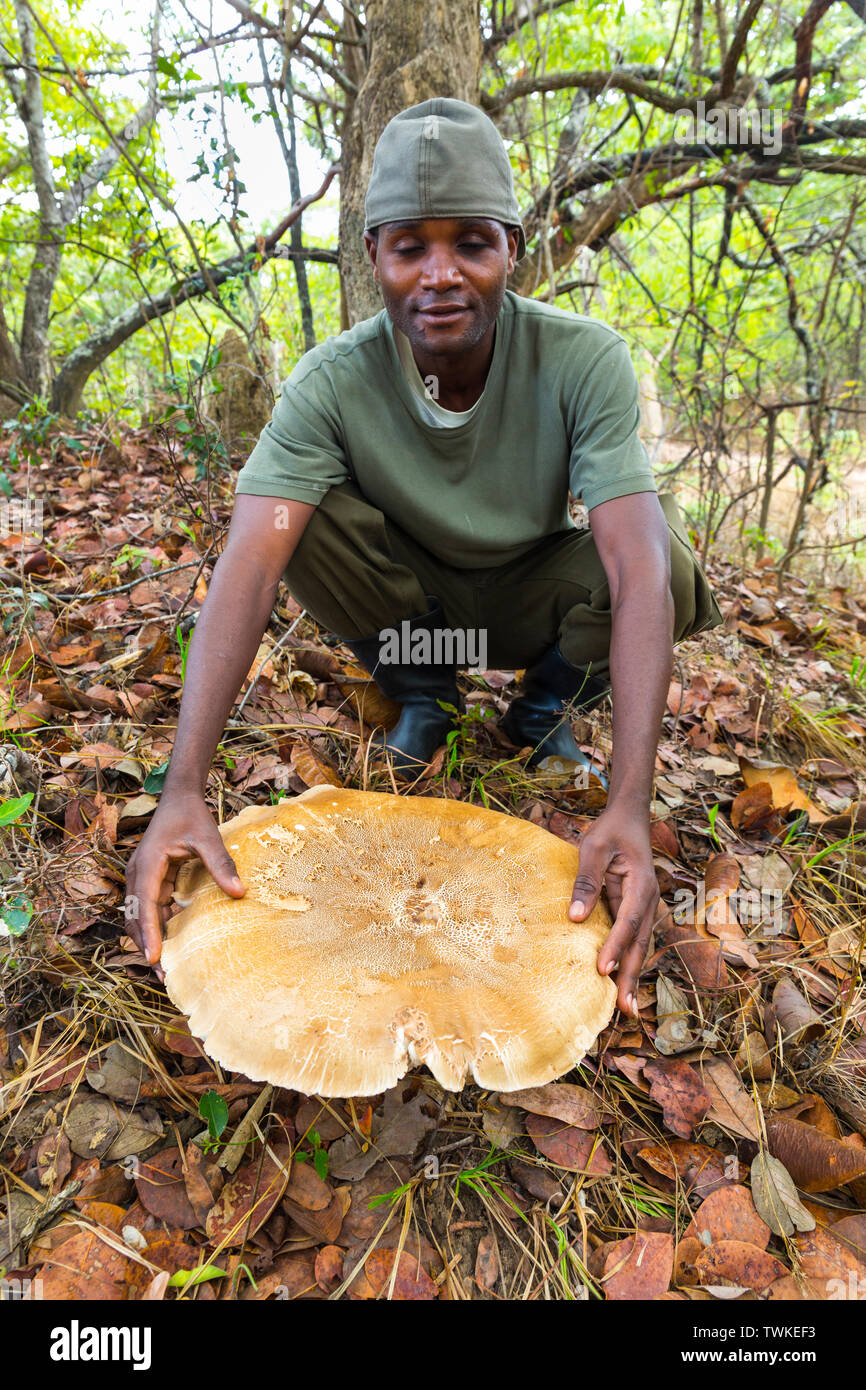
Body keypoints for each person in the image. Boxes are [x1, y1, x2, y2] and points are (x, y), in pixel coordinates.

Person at [124, 97, 723, 1018]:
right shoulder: (331, 382)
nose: (441, 275)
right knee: (294, 514)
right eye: (411, 247)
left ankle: (539, 713)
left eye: (471, 243)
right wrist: (184, 786)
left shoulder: (582, 359)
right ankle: (425, 694)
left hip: (528, 592)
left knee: (671, 567)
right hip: (409, 608)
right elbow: (248, 562)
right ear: (374, 257)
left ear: (512, 247)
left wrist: (630, 805)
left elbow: (638, 569)